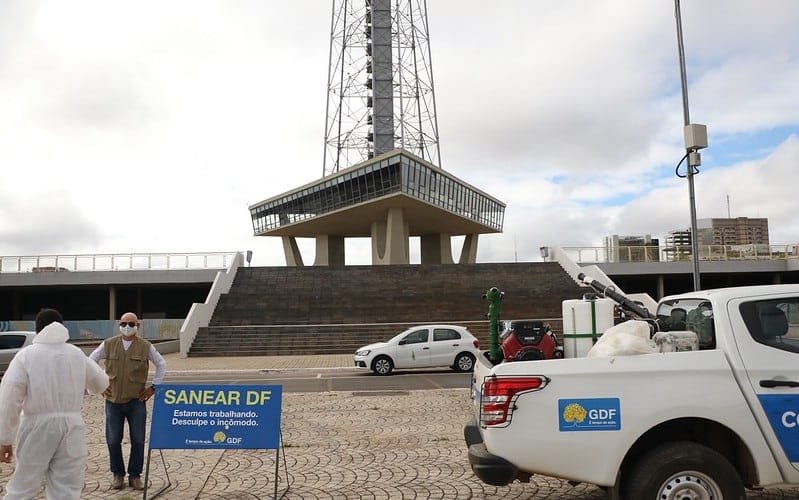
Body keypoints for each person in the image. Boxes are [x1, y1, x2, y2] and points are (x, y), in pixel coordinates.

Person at [0, 308, 109, 500]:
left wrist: (5, 439)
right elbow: (101, 383)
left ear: (37, 329)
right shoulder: (76, 354)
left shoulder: (26, 356)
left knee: (23, 488)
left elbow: (10, 399)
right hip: (72, 426)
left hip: (36, 426)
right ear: (62, 327)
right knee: (66, 490)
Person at [90, 311, 166, 491]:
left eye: (132, 324)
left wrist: (154, 388)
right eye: (124, 323)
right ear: (119, 324)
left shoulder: (146, 346)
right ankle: (118, 474)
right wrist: (99, 385)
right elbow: (90, 361)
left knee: (138, 440)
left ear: (137, 326)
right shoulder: (108, 344)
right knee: (113, 440)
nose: (127, 327)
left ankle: (135, 476)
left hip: (136, 402)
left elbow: (162, 364)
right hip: (113, 402)